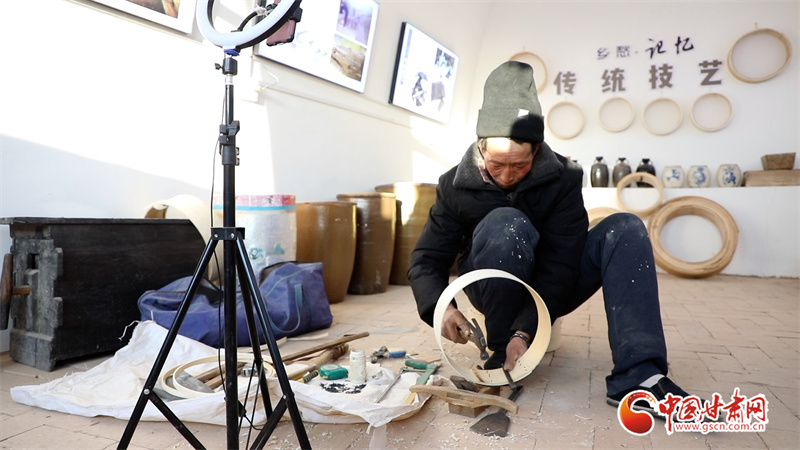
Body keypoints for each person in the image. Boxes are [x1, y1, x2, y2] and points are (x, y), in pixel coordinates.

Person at [407, 60, 693, 413]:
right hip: (489, 283)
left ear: (537, 149)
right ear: (480, 147)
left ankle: (639, 377)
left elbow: (561, 261)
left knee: (625, 228)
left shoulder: (564, 177)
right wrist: (442, 309)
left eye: (519, 165)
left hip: (554, 282)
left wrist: (525, 330)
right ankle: (501, 346)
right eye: (497, 165)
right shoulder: (454, 185)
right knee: (505, 222)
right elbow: (426, 261)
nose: (507, 175)